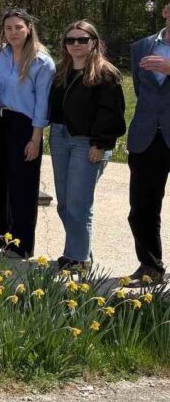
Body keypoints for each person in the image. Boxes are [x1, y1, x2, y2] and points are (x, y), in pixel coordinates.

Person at [48, 20, 125, 272]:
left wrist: (101, 144)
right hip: (60, 139)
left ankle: (77, 259)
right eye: (71, 40)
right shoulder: (62, 71)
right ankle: (81, 253)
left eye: (82, 39)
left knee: (79, 204)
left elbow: (112, 113)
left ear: (94, 42)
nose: (76, 44)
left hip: (87, 143)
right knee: (64, 204)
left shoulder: (105, 74)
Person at [0, 8, 55, 258]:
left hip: (25, 124)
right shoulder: (0, 53)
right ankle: (1, 232)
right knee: (0, 181)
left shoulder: (41, 61)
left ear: (28, 28)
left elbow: (42, 103)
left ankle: (21, 242)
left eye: (18, 27)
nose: (13, 32)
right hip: (0, 120)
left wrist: (35, 139)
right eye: (8, 28)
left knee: (23, 185)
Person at [126, 0, 170, 285]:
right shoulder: (141, 47)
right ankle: (150, 266)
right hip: (147, 136)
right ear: (166, 11)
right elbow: (141, 91)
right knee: (142, 207)